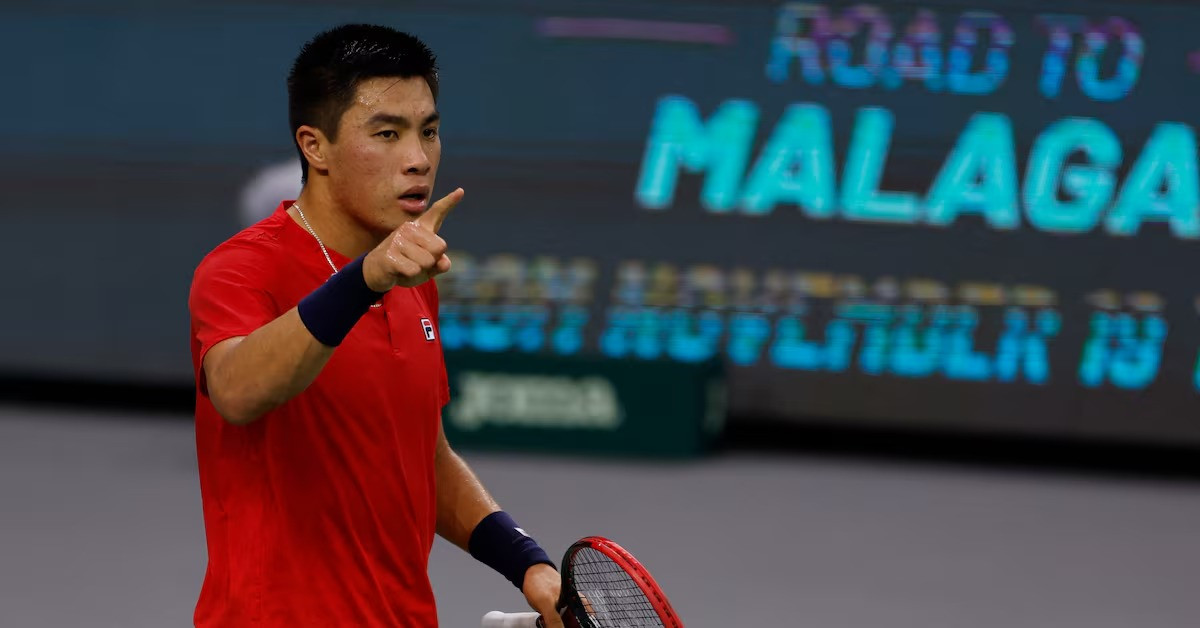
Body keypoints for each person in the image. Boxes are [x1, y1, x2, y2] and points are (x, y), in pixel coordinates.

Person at [188, 24, 563, 627]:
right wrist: (362, 281)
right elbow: (236, 390)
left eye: (429, 132)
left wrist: (527, 563)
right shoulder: (239, 270)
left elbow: (424, 457)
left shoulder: (414, 283)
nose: (418, 159)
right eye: (386, 133)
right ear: (315, 146)